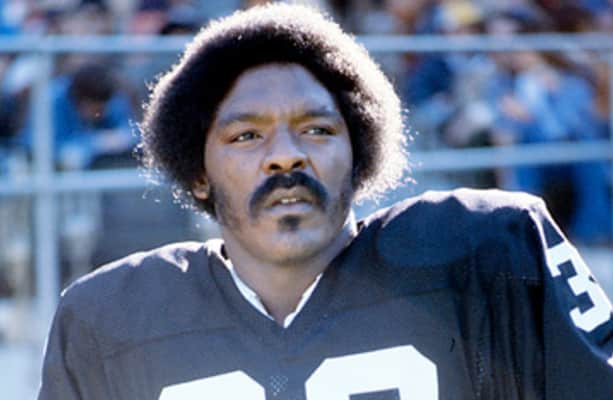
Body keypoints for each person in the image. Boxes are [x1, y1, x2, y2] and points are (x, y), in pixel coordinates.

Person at [38, 4, 613, 399]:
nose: (285, 157)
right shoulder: (108, 320)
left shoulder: (487, 250)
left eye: (316, 130)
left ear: (360, 154)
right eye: (246, 135)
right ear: (198, 174)